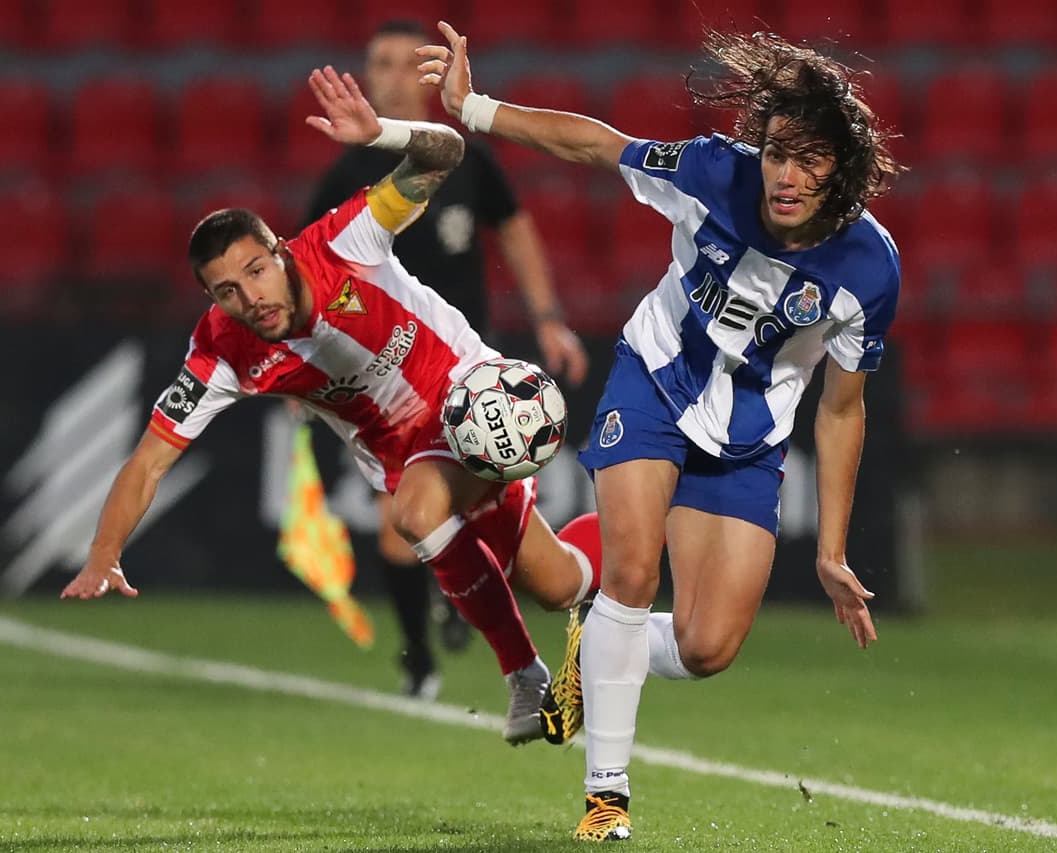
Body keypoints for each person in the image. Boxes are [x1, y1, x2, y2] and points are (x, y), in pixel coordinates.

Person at [419, 22, 903, 840]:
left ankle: (595, 645)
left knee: (707, 645)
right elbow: (599, 146)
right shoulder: (717, 172)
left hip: (747, 438)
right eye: (778, 153)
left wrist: (831, 549)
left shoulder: (869, 269)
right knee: (633, 571)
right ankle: (606, 795)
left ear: (843, 170)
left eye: (810, 159)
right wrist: (474, 107)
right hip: (654, 382)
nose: (786, 176)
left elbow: (842, 407)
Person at [60, 64, 604, 745]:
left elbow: (448, 153)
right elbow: (148, 461)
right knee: (559, 583)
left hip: (469, 395)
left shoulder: (346, 239)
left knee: (415, 512)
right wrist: (103, 551)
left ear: (279, 251)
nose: (249, 296)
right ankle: (624, 553)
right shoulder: (223, 350)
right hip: (401, 452)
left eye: (255, 269)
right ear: (212, 300)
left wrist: (386, 136)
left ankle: (524, 673)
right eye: (226, 289)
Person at [303, 19, 589, 701]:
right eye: (383, 63)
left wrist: (548, 317)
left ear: (428, 78)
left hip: (466, 372)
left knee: (474, 524)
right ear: (368, 76)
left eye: (409, 63)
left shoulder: (462, 161)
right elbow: (303, 285)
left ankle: (499, 613)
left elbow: (514, 226)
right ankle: (422, 659)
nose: (396, 75)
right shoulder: (345, 174)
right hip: (383, 389)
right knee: (406, 526)